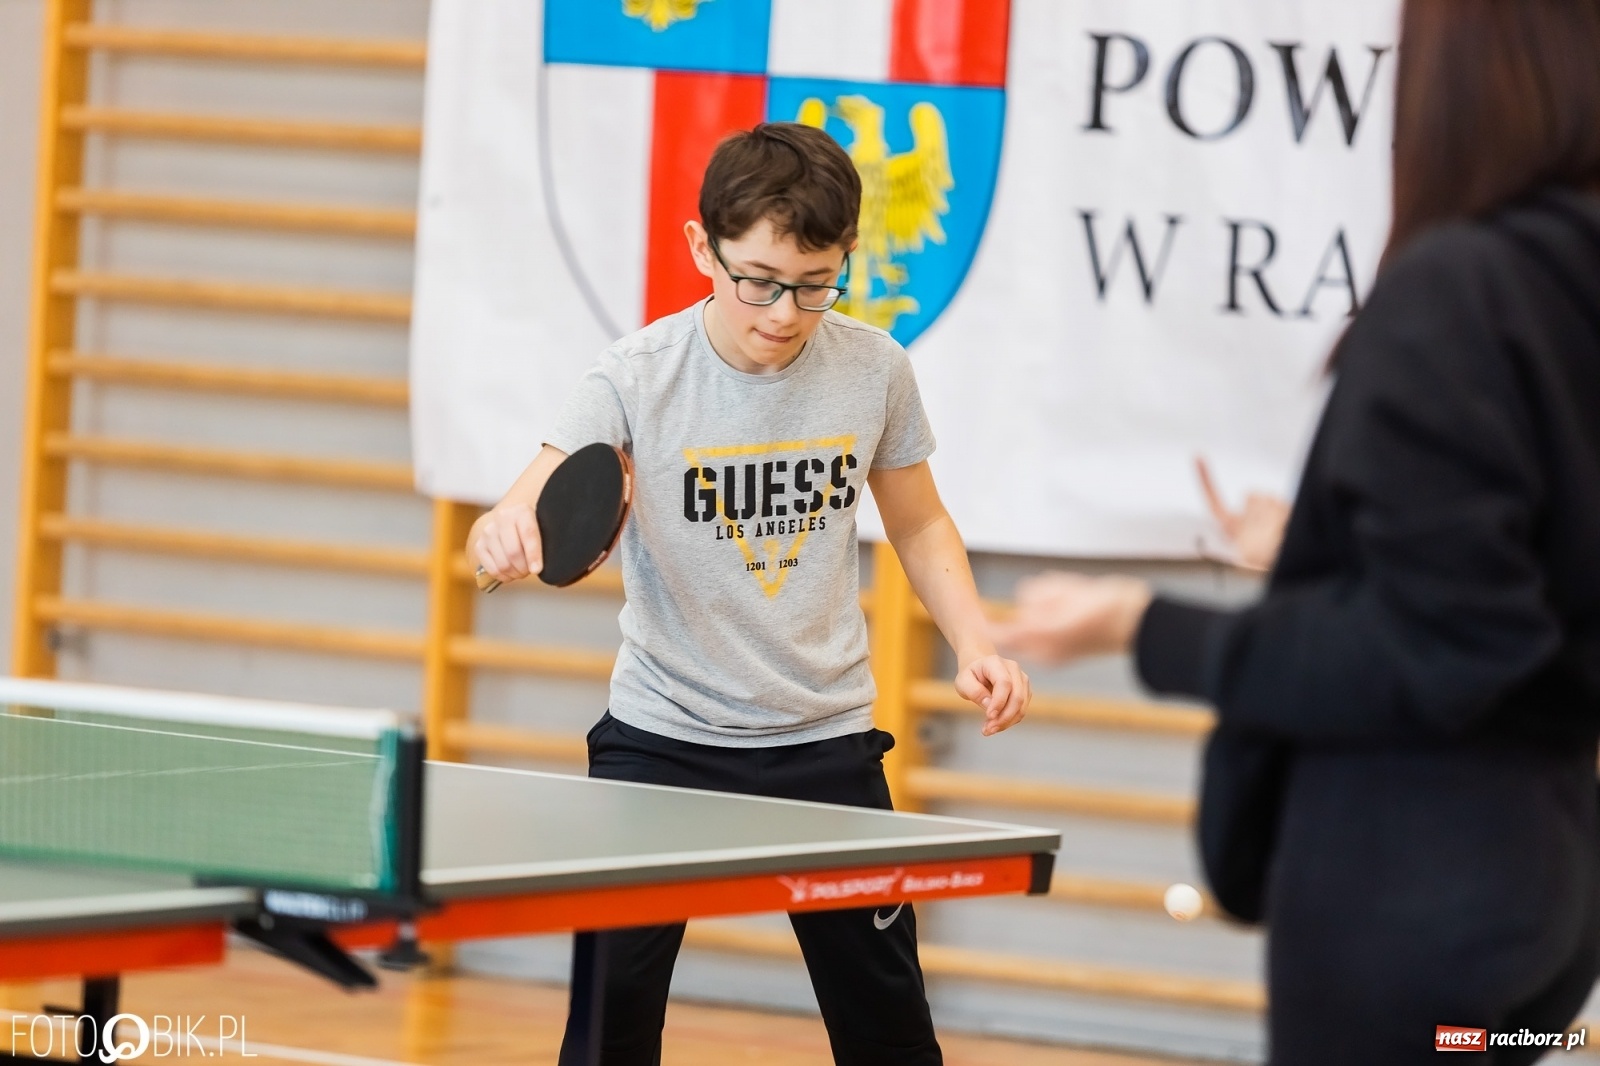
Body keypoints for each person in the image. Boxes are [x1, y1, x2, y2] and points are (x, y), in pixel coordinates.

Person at [994, 0, 1600, 1062]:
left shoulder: (1461, 290)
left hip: (1412, 916)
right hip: (1544, 911)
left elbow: (1447, 646)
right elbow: (1524, 576)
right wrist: (1325, 545)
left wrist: (1137, 623)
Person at [470, 122, 1030, 1065]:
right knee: (608, 1026)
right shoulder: (637, 376)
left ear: (846, 258)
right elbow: (535, 488)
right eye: (759, 281)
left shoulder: (874, 369)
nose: (783, 312)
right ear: (702, 248)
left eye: (815, 286)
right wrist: (505, 524)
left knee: (889, 1029)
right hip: (662, 744)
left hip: (825, 743)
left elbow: (920, 520)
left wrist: (977, 639)